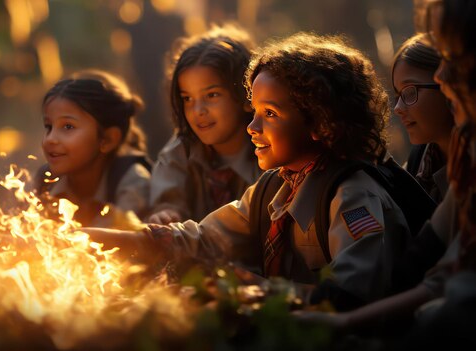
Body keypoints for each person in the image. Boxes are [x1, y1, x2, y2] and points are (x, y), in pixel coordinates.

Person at [83, 33, 411, 311]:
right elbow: (201, 239)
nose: (252, 127)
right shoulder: (274, 187)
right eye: (254, 111)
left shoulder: (353, 195)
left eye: (270, 113)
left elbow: (352, 297)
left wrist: (261, 291)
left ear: (320, 122)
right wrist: (83, 239)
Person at [293, 0, 476, 347]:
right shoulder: (449, 162)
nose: (444, 75)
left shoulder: (358, 188)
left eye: (454, 58)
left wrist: (346, 316)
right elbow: (425, 264)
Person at [147, 24, 261, 225]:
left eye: (212, 95)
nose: (198, 110)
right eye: (187, 98)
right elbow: (168, 203)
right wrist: (166, 213)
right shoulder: (180, 151)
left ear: (246, 96)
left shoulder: (270, 152)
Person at [34, 69, 151, 228]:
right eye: (48, 127)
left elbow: (122, 240)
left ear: (107, 140)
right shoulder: (47, 181)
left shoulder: (132, 181)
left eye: (68, 126)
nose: (50, 139)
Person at [395, 33, 455, 202]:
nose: (397, 108)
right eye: (398, 96)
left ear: (446, 85)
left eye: (409, 91)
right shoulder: (417, 162)